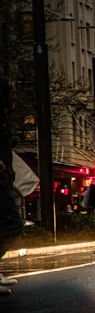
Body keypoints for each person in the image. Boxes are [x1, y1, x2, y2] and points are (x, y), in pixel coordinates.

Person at [0, 78, 22, 296]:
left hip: (5, 179)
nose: (15, 97)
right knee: (13, 224)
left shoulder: (5, 118)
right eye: (12, 92)